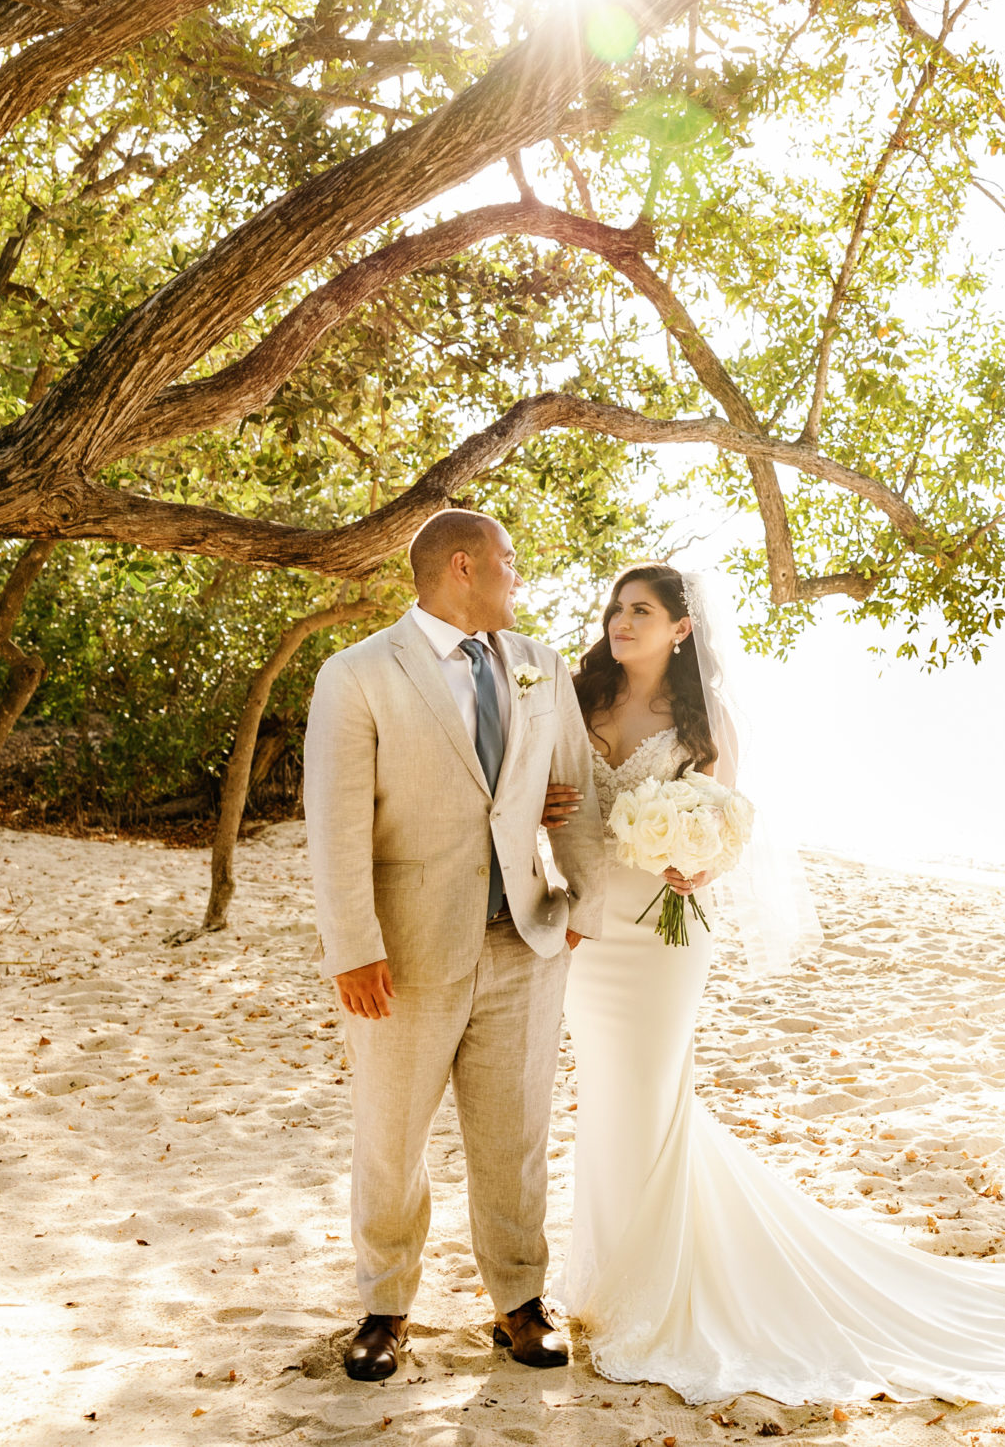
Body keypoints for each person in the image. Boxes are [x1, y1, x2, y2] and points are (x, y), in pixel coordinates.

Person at [561, 564, 1005, 1402]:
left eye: (642, 610)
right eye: (616, 608)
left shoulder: (707, 722)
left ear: (681, 629)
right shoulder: (578, 695)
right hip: (592, 935)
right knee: (607, 1099)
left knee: (649, 1096)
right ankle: (605, 1287)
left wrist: (697, 861)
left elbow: (723, 826)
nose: (621, 621)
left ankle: (654, 1298)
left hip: (664, 938)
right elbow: (547, 796)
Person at [304, 508, 606, 1379]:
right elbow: (334, 823)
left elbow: (573, 792)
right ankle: (385, 1308)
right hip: (401, 955)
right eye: (511, 562)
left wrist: (579, 901)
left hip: (525, 941)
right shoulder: (356, 674)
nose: (522, 577)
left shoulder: (542, 668)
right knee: (390, 1137)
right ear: (464, 566)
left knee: (514, 1134)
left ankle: (519, 1303)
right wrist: (351, 946)